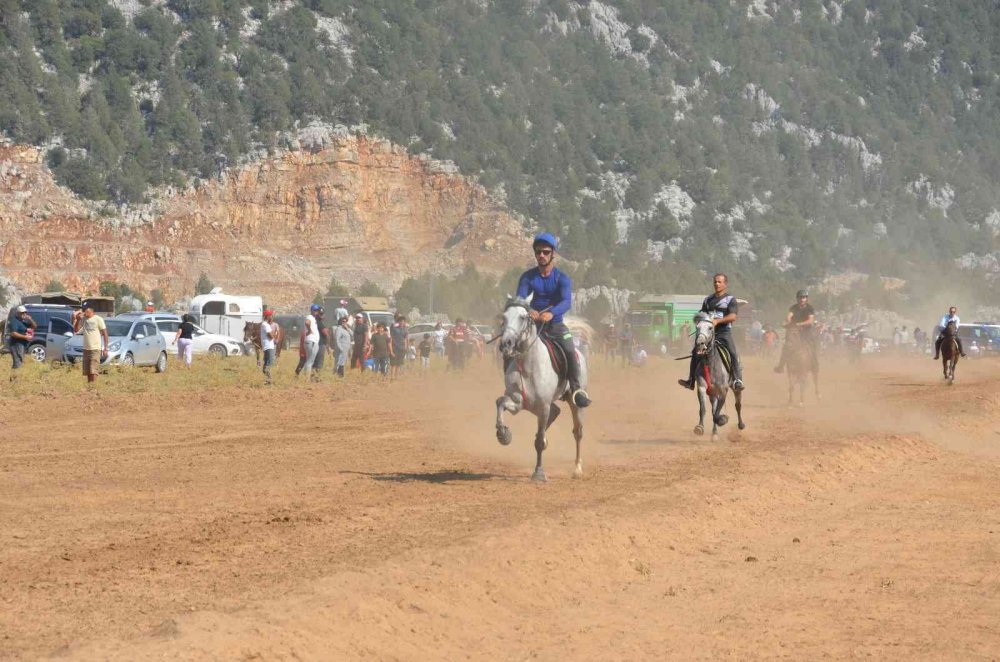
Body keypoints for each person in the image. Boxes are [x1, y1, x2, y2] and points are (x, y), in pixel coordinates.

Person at [515, 232, 591, 407]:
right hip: (532, 325)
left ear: (553, 254)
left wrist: (551, 313)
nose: (541, 255)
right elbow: (519, 299)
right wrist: (530, 309)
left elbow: (566, 301)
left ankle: (576, 389)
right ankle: (511, 386)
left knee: (570, 350)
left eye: (545, 252)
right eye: (538, 252)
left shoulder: (561, 278)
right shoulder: (527, 277)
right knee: (510, 346)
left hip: (555, 325)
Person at [678, 273, 745, 392]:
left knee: (733, 353)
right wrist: (699, 320)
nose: (716, 284)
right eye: (715, 282)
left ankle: (737, 380)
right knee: (695, 351)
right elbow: (701, 314)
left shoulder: (730, 300)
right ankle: (691, 380)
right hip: (708, 334)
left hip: (724, 333)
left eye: (719, 282)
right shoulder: (708, 300)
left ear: (725, 284)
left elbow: (733, 316)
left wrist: (718, 321)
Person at [774, 290, 816, 374]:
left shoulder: (809, 308)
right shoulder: (793, 308)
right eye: (800, 297)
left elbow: (810, 320)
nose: (802, 299)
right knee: (786, 347)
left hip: (806, 332)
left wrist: (799, 324)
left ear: (806, 299)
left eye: (803, 297)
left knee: (811, 346)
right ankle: (781, 366)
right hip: (795, 331)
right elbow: (789, 316)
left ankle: (814, 364)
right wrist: (789, 322)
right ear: (797, 299)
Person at [72, 306, 108, 384]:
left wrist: (105, 348)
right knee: (88, 370)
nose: (85, 313)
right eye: (85, 312)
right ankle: (89, 387)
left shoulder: (98, 319)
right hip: (86, 349)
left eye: (87, 312)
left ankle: (93, 386)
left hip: (95, 348)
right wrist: (78, 320)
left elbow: (105, 334)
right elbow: (76, 330)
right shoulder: (85, 321)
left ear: (92, 312)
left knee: (93, 370)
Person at [8, 305, 37, 378]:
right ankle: (14, 379)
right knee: (18, 362)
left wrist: (30, 319)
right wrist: (25, 337)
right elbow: (13, 333)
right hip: (16, 345)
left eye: (25, 312)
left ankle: (14, 378)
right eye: (22, 313)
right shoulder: (14, 321)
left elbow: (34, 327)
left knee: (19, 361)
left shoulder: (23, 322)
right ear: (17, 313)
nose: (24, 314)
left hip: (22, 345)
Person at [301, 303, 321, 378]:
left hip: (311, 341)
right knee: (310, 361)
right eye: (315, 310)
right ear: (312, 310)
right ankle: (306, 378)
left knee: (309, 360)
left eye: (317, 310)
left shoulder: (313, 318)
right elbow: (307, 322)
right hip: (311, 341)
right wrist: (309, 330)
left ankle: (306, 377)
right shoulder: (310, 317)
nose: (316, 311)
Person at [260, 309, 278, 384]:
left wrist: (273, 333)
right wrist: (274, 333)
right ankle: (269, 380)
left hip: (267, 347)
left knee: (266, 365)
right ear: (267, 316)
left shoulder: (265, 324)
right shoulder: (265, 325)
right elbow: (271, 336)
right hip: (269, 347)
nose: (272, 316)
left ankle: (268, 380)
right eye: (270, 315)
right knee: (269, 364)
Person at [312, 305, 329, 380]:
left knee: (315, 360)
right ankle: (317, 377)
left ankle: (313, 376)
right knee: (319, 361)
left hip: (316, 343)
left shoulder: (315, 321)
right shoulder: (319, 322)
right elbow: (325, 333)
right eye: (321, 314)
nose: (322, 315)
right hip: (321, 343)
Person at [389, 314, 408, 378]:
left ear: (404, 322)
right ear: (398, 322)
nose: (402, 322)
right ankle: (392, 377)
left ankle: (396, 376)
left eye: (403, 321)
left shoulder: (405, 329)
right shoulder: (394, 328)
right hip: (395, 348)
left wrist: (405, 347)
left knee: (398, 364)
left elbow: (405, 339)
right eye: (400, 321)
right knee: (393, 364)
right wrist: (391, 350)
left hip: (402, 348)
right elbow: (391, 338)